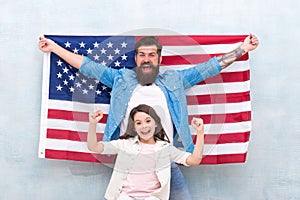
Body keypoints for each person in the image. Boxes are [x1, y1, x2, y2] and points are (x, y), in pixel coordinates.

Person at [39, 34, 259, 199]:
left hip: (166, 160)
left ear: (159, 58)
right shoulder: (120, 79)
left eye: (151, 55)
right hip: (129, 161)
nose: (146, 59)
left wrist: (242, 49)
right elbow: (87, 66)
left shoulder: (175, 79)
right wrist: (54, 47)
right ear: (136, 58)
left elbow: (210, 67)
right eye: (142, 54)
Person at [88, 104, 205, 200]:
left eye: (148, 121)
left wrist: (200, 133)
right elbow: (94, 147)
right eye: (138, 123)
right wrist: (93, 124)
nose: (144, 126)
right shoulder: (124, 144)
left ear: (156, 123)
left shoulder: (165, 148)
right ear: (134, 127)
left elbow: (195, 160)